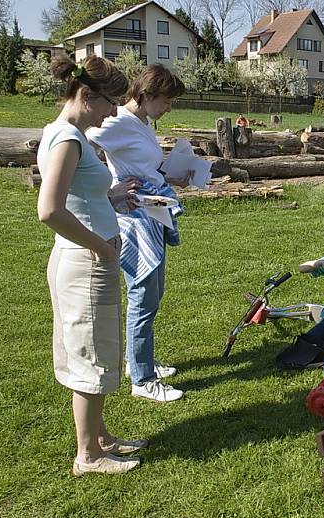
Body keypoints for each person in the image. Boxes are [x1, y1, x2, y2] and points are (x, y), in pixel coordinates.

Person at [37, 55, 146, 475]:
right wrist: (101, 248)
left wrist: (111, 198)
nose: (114, 111)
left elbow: (79, 197)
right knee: (90, 356)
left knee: (96, 348)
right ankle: (89, 456)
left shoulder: (64, 134)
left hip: (84, 259)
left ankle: (102, 437)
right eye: (109, 102)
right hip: (85, 263)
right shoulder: (67, 138)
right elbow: (49, 210)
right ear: (86, 95)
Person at [87, 64, 189, 403]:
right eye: (167, 100)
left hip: (154, 213)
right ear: (146, 95)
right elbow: (80, 143)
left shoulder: (142, 123)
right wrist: (109, 190)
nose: (169, 107)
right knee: (143, 295)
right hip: (135, 220)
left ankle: (138, 361)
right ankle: (142, 380)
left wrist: (171, 177)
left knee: (153, 292)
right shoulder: (116, 122)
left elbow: (145, 166)